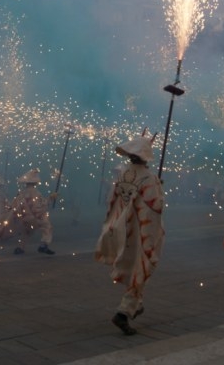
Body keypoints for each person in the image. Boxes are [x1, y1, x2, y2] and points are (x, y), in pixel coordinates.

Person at [95, 133, 164, 336]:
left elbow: (112, 200)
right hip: (139, 231)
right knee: (141, 267)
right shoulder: (149, 178)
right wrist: (160, 189)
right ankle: (124, 312)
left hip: (122, 227)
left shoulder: (123, 175)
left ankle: (137, 304)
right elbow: (155, 206)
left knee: (135, 267)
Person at [6, 169, 57, 255]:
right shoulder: (35, 193)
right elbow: (39, 206)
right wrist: (50, 199)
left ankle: (20, 248)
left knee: (27, 232)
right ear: (35, 182)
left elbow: (13, 205)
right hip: (35, 217)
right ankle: (43, 245)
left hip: (25, 218)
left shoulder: (21, 192)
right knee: (47, 227)